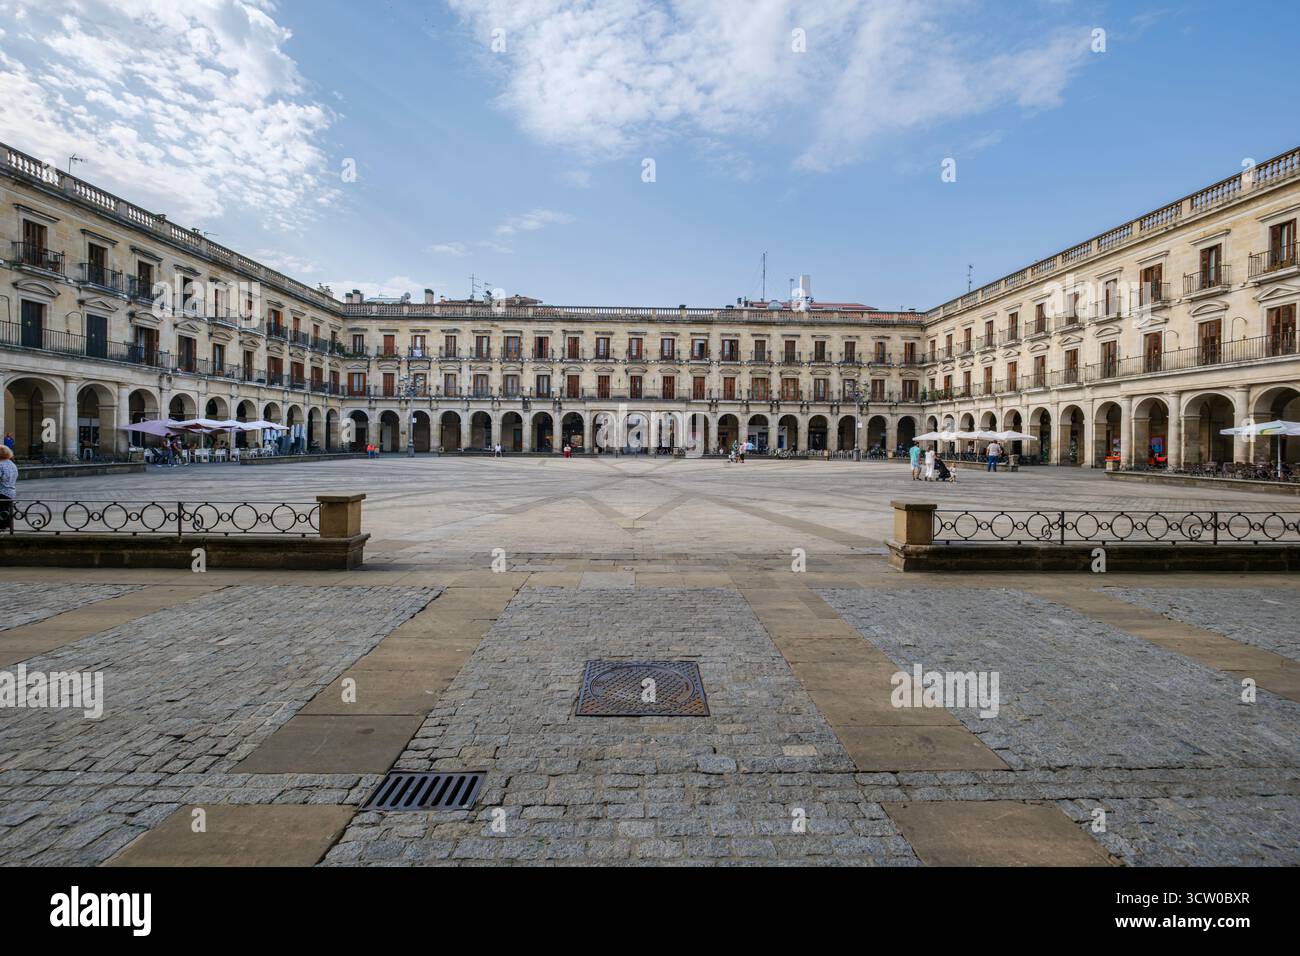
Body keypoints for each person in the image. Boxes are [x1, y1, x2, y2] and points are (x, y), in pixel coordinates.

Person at [0, 445, 17, 531]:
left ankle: (2, 525)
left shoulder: (0, 465)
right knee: (5, 508)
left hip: (1, 492)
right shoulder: (12, 464)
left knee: (2, 508)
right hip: (11, 492)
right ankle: (7, 524)